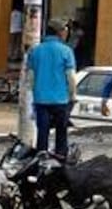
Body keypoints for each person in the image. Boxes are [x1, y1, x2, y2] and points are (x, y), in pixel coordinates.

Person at [25, 17, 77, 158]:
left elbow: (30, 77)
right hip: (61, 100)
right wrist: (73, 96)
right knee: (61, 132)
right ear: (59, 32)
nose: (67, 33)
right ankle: (61, 159)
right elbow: (71, 77)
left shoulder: (35, 51)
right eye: (65, 30)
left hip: (41, 99)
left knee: (43, 131)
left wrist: (35, 92)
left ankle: (41, 158)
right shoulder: (66, 51)